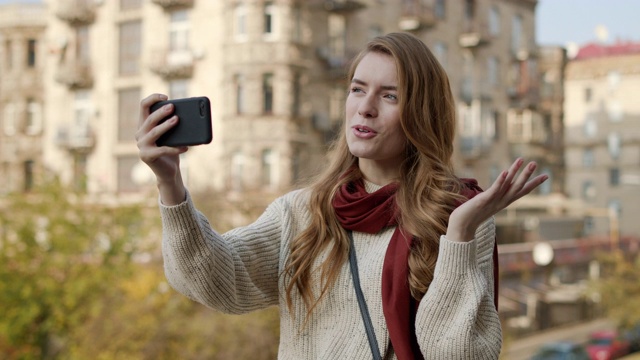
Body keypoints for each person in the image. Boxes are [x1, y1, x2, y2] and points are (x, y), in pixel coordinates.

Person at [136, 32, 548, 359]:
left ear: (421, 113)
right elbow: (216, 283)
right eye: (357, 89)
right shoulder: (301, 212)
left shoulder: (459, 215)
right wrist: (170, 183)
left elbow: (459, 354)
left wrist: (458, 234)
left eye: (390, 95)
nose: (365, 108)